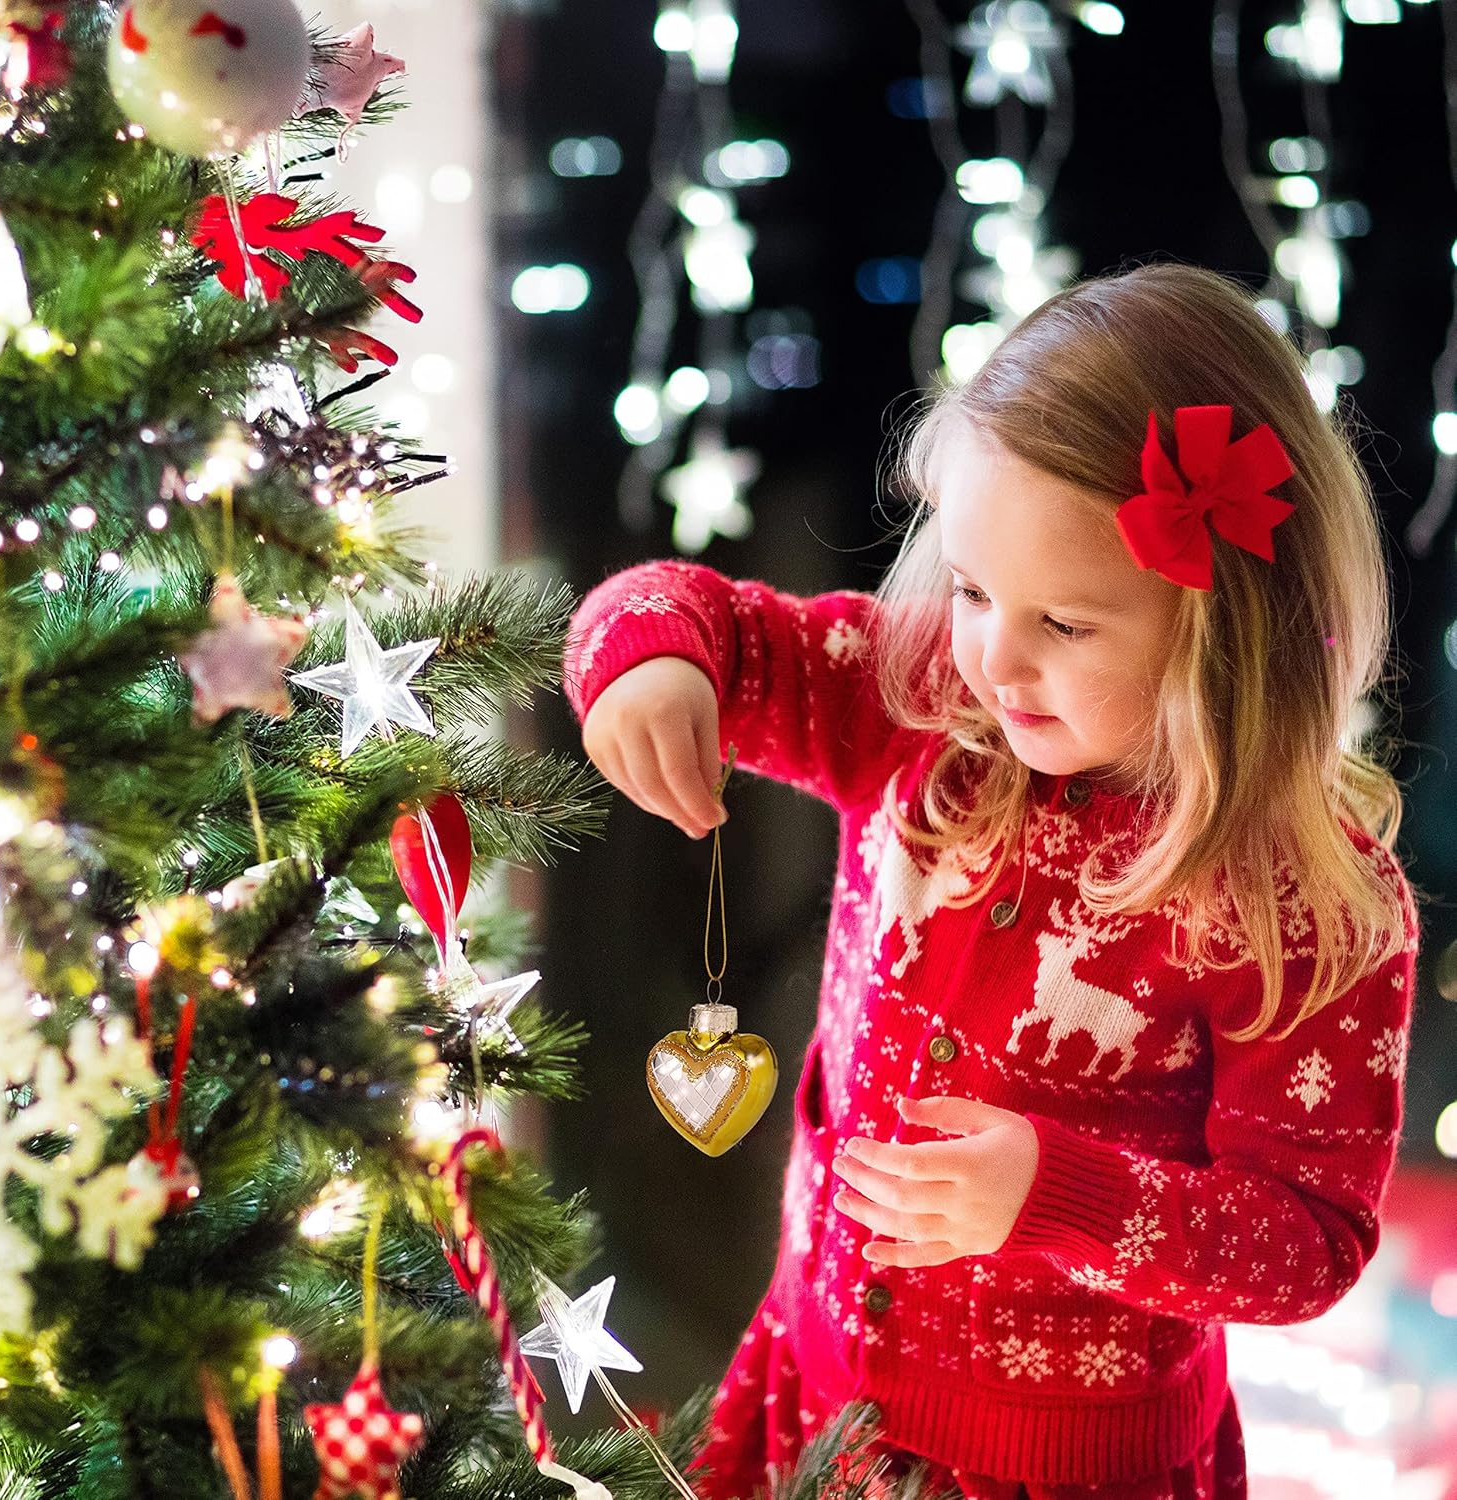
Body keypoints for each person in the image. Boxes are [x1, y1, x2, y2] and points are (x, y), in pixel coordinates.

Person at [562, 263, 1423, 1499]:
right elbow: (694, 616)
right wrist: (651, 663)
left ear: (1229, 626)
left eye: (1065, 625)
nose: (995, 658)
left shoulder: (1305, 903)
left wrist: (1053, 1197)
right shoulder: (924, 707)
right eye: (970, 589)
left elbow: (1309, 1244)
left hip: (1066, 1468)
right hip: (815, 1391)